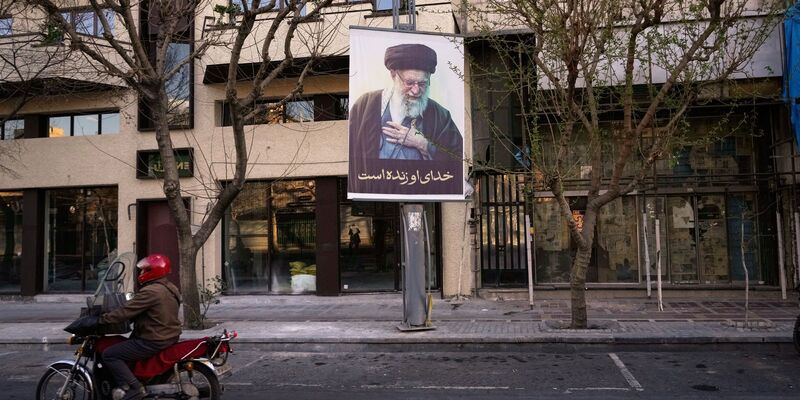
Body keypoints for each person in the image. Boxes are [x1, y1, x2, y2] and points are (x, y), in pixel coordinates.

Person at [348, 43, 463, 195]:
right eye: (409, 83)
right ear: (393, 74)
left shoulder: (440, 116)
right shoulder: (364, 106)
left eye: (422, 83)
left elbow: (457, 161)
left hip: (421, 195)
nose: (416, 91)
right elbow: (354, 162)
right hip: (375, 197)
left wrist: (423, 144)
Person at [98, 254, 182, 400]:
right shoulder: (170, 287)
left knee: (109, 354)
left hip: (153, 339)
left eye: (144, 271)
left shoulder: (150, 291)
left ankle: (135, 388)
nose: (142, 274)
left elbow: (125, 311)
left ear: (153, 271)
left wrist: (102, 319)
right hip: (168, 335)